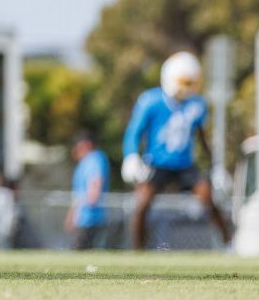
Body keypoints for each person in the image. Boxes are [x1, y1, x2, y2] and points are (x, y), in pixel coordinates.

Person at [122, 51, 231, 250]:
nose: (188, 87)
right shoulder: (151, 101)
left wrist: (216, 166)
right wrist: (131, 156)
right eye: (184, 81)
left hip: (184, 164)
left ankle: (229, 244)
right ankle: (137, 251)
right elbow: (134, 132)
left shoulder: (197, 104)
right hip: (156, 162)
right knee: (142, 204)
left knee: (208, 198)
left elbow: (202, 138)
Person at [66, 130, 109, 250]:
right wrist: (72, 215)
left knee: (82, 250)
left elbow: (95, 182)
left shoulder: (95, 159)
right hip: (82, 218)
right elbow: (78, 193)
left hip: (91, 217)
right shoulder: (85, 162)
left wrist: (92, 198)